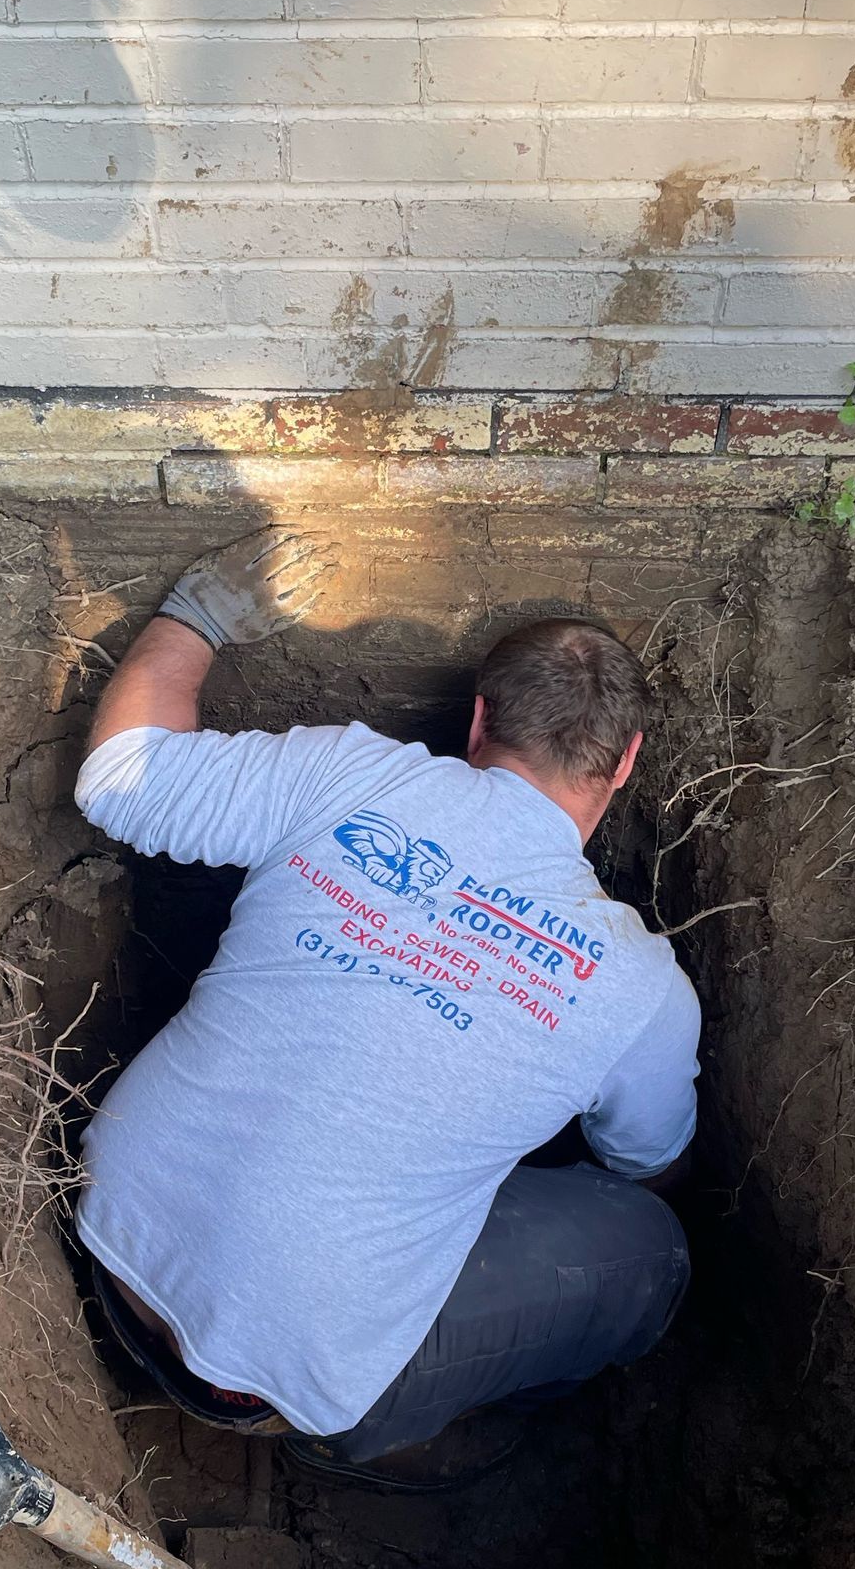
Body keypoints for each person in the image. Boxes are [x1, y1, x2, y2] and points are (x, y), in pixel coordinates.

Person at [71, 528, 700, 1466]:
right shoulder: (639, 987)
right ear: (626, 762)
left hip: (109, 1225)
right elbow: (648, 1162)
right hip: (261, 1377)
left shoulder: (348, 774)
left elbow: (121, 776)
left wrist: (196, 616)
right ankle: (422, 1427)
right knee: (647, 1247)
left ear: (479, 722)